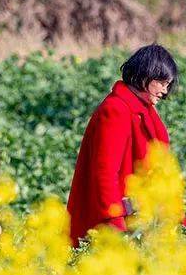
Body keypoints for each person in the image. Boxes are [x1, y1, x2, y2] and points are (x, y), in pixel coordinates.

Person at [66, 43, 179, 246]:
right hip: (118, 225)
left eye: (168, 84)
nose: (165, 90)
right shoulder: (116, 110)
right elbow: (105, 174)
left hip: (142, 222)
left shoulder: (146, 112)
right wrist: (116, 228)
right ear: (144, 75)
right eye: (161, 82)